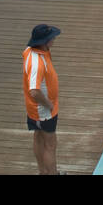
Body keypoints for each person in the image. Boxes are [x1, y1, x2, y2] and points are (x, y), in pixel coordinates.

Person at [23, 23, 61, 174]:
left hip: (33, 109)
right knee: (50, 144)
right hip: (43, 110)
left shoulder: (29, 51)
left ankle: (42, 172)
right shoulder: (37, 64)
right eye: (52, 38)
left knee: (38, 136)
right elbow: (34, 91)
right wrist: (49, 105)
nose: (54, 39)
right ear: (45, 42)